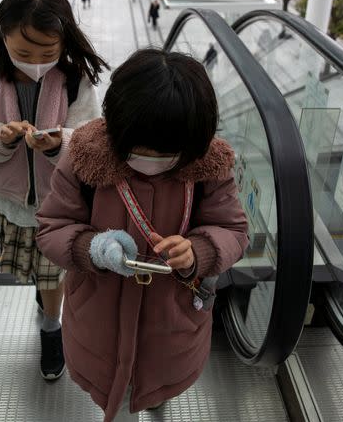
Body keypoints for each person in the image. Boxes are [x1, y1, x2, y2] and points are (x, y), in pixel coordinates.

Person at [36, 49, 249, 421]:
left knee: (158, 391)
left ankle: (155, 400)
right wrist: (93, 249)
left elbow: (233, 230)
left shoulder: (208, 167)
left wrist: (198, 251)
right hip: (98, 327)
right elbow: (52, 227)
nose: (151, 161)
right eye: (138, 150)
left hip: (171, 330)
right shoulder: (85, 158)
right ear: (117, 125)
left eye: (166, 154)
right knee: (115, 401)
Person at [0, 0, 106, 381]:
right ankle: (47, 303)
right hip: (10, 203)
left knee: (53, 273)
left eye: (47, 52)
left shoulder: (74, 81)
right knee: (39, 274)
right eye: (23, 52)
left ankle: (51, 327)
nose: (35, 62)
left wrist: (60, 145)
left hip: (61, 204)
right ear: (2, 36)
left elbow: (90, 142)